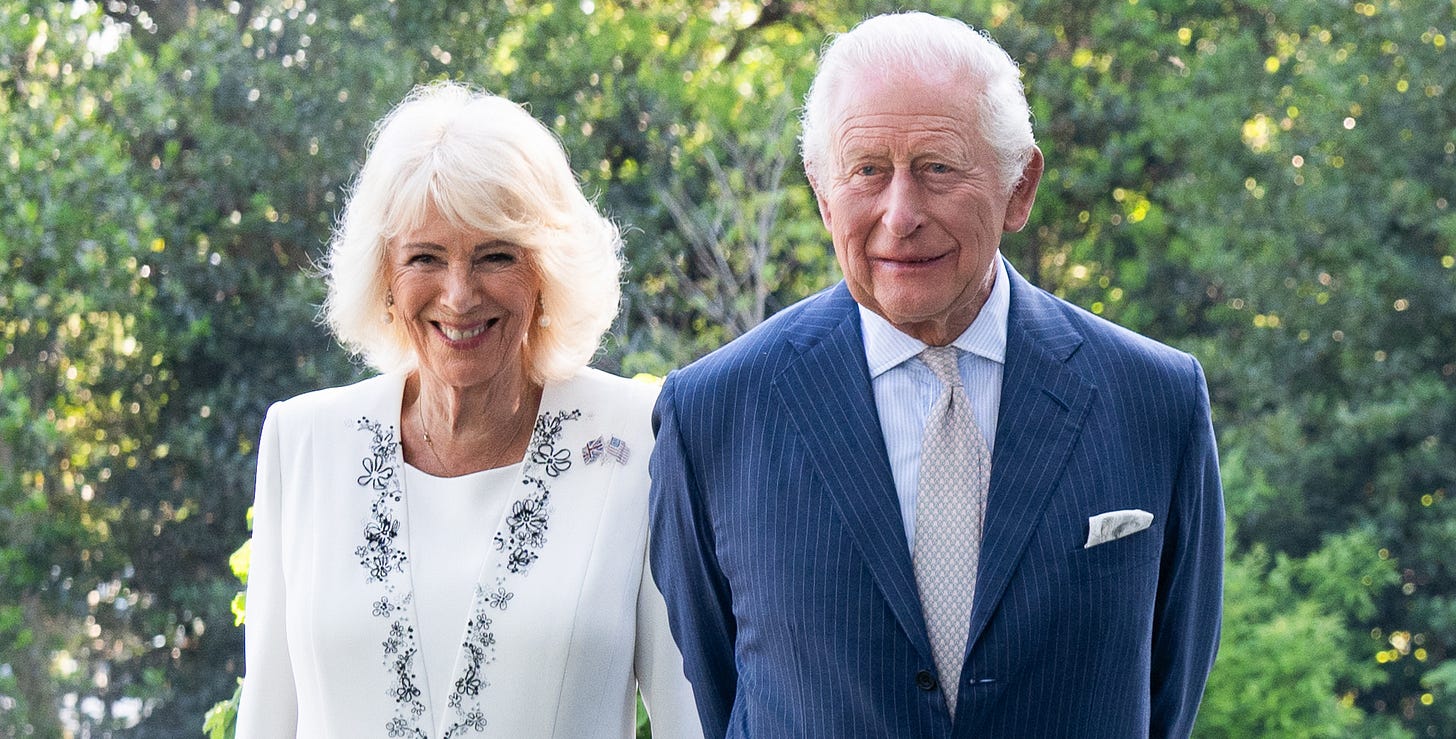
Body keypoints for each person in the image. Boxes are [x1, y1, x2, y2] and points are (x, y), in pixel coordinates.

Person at [648, 12, 1223, 738]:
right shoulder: (713, 413)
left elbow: (1168, 693)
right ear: (823, 195)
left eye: (938, 168)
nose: (901, 215)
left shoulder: (1155, 400)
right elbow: (720, 690)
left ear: (1020, 187)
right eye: (867, 171)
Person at [236, 81, 700, 738]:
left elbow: (691, 719)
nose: (459, 295)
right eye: (425, 257)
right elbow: (265, 722)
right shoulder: (303, 443)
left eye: (495, 256)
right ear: (386, 277)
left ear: (546, 273)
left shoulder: (636, 439)